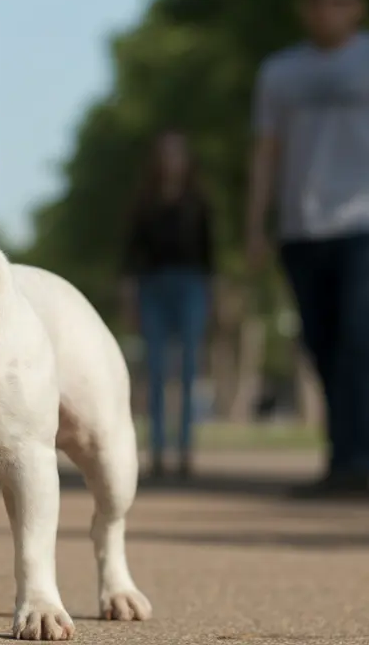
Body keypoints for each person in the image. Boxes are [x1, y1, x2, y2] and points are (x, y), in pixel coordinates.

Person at [245, 0, 369, 499]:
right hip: (303, 227)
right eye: (319, 0)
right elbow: (265, 153)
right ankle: (342, 453)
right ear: (305, 9)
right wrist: (256, 224)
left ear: (358, 6)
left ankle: (358, 458)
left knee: (358, 337)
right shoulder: (280, 73)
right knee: (321, 344)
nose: (329, 10)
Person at [119, 130, 214, 480]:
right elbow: (130, 256)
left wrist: (213, 298)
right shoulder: (144, 203)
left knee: (189, 370)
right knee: (156, 370)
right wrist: (130, 297)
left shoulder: (198, 202)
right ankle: (157, 450)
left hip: (190, 285)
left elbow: (209, 257)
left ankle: (185, 449)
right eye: (166, 154)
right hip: (153, 287)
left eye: (178, 154)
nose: (172, 161)